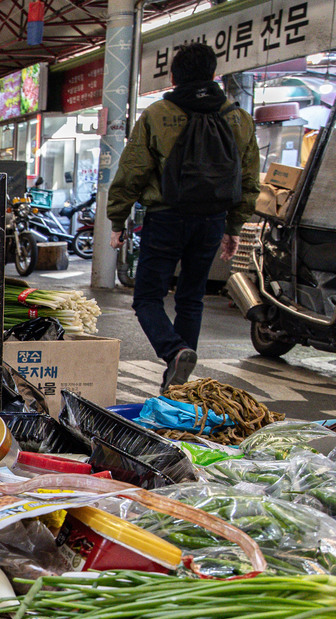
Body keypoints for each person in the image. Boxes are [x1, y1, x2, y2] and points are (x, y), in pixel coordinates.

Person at [107, 42, 259, 393]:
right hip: (213, 219)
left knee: (147, 297)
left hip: (167, 218)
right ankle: (178, 384)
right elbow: (250, 180)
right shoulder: (238, 118)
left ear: (174, 76)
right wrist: (233, 226)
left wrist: (118, 220)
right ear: (213, 74)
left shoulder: (159, 114)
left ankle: (174, 350)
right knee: (191, 297)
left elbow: (133, 171)